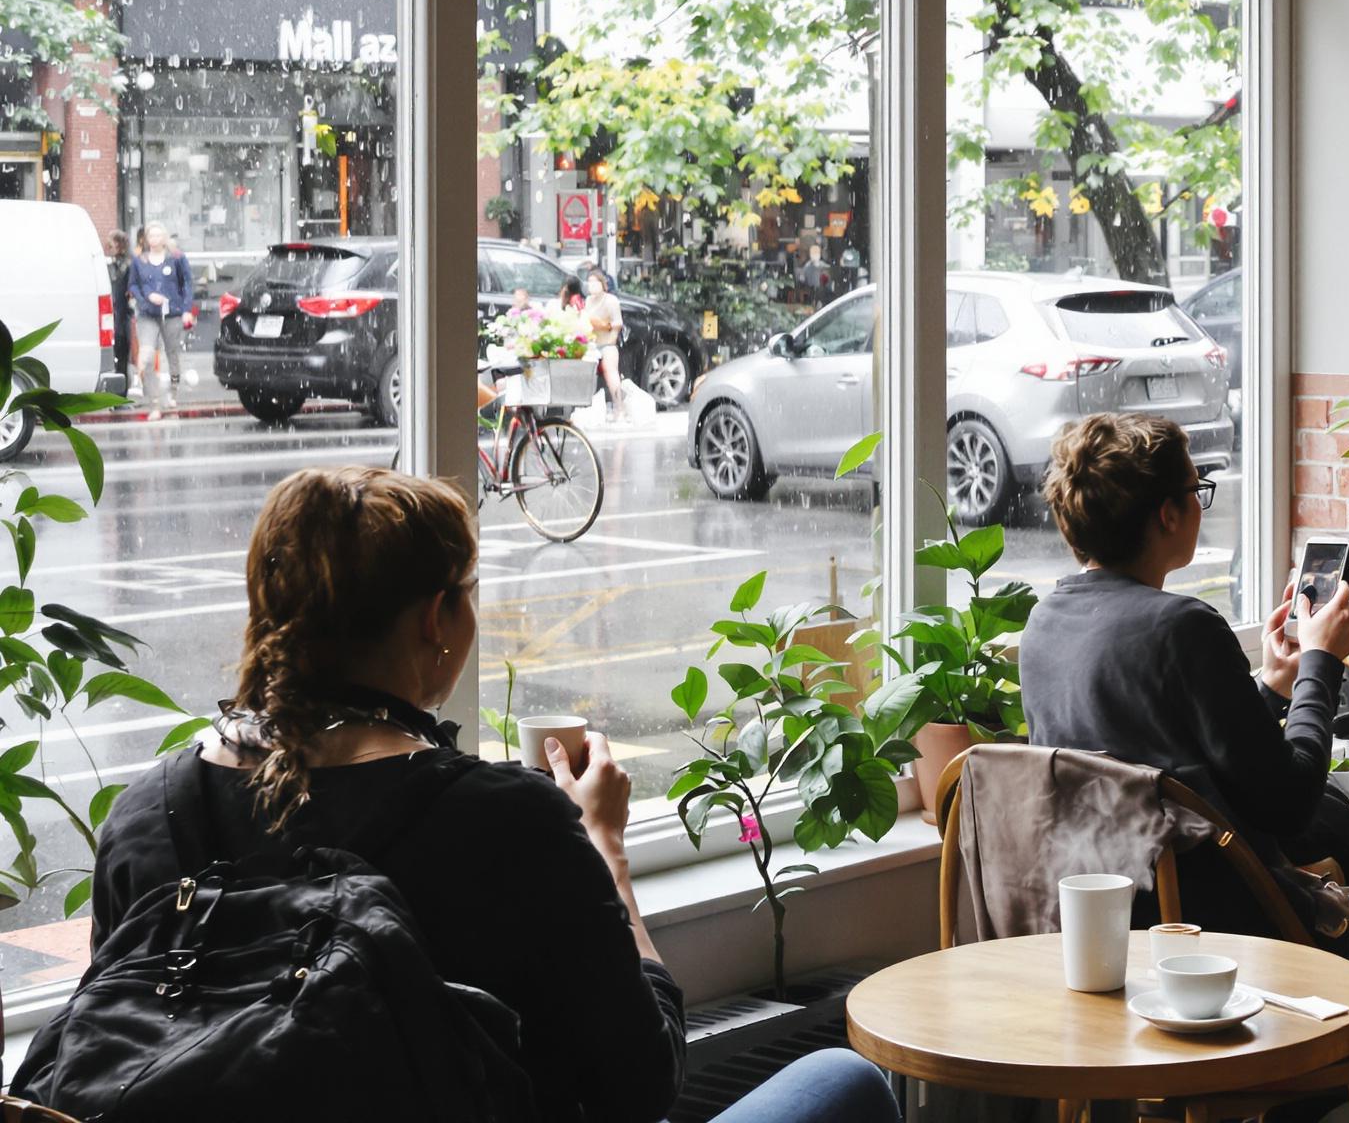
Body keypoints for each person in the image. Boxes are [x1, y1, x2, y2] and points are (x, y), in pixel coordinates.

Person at [48, 467, 893, 1123]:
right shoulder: (504, 822)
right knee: (843, 1081)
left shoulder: (147, 814)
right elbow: (642, 1083)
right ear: (434, 622)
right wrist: (605, 850)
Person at [1020, 414, 1349, 1119]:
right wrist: (1321, 663)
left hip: (1115, 940)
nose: (1202, 502)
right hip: (1235, 942)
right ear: (1168, 514)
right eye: (1200, 489)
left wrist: (1270, 688)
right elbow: (1286, 806)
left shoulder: (1047, 625)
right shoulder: (1181, 627)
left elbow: (1174, 772)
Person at [126, 222, 193, 419]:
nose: (154, 240)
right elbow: (133, 286)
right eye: (151, 236)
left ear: (164, 238)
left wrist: (187, 309)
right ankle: (154, 402)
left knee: (172, 352)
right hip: (147, 314)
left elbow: (187, 283)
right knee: (146, 355)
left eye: (158, 236)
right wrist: (146, 297)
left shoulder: (176, 259)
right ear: (146, 239)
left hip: (172, 312)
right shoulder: (140, 261)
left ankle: (173, 391)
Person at [582, 267, 626, 416]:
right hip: (592, 344)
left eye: (595, 282)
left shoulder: (611, 301)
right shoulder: (588, 301)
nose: (592, 285)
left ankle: (619, 406)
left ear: (602, 284)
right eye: (590, 282)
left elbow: (617, 324)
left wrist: (610, 340)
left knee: (610, 369)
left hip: (608, 343)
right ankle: (587, 407)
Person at [103, 228, 133, 391]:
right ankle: (118, 392)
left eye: (112, 243)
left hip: (121, 316)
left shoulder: (127, 265)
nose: (109, 246)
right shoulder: (111, 264)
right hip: (115, 316)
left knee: (121, 357)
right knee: (117, 356)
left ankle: (121, 393)